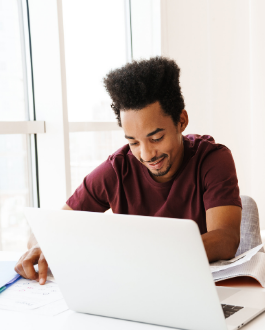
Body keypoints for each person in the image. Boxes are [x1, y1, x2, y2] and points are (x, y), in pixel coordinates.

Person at [15, 57, 243, 284]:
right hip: (136, 290)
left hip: (199, 287)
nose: (146, 155)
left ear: (181, 121)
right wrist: (42, 244)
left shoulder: (212, 159)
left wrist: (145, 256)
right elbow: (50, 226)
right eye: (134, 142)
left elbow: (225, 239)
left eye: (156, 138)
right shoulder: (116, 170)